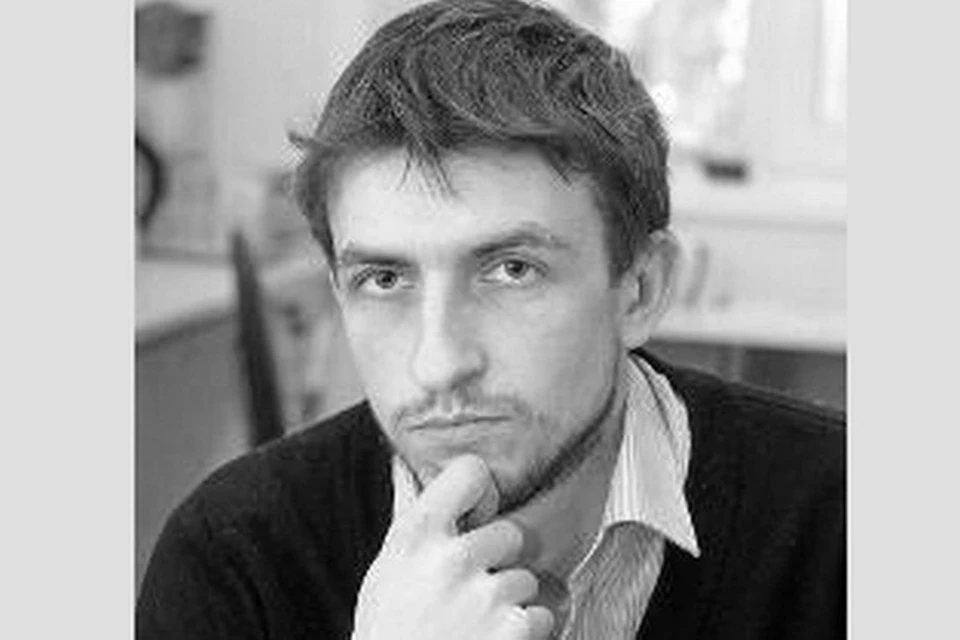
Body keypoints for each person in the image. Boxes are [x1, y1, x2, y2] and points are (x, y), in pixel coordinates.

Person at [136, 1, 845, 638]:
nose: (439, 363)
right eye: (384, 280)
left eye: (512, 270)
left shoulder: (846, 526)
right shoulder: (232, 567)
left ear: (640, 289)